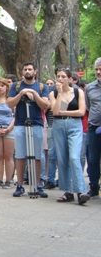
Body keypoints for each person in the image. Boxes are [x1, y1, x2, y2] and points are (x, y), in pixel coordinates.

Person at [6, 62, 49, 198]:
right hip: (20, 123)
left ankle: (38, 185)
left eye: (30, 69)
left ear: (35, 71)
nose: (27, 71)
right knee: (20, 156)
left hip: (36, 123)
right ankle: (19, 185)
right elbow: (10, 103)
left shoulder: (42, 87)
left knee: (37, 155)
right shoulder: (16, 86)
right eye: (25, 69)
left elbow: (45, 105)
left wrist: (34, 93)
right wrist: (22, 93)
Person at [50, 67, 90, 204]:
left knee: (74, 157)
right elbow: (55, 112)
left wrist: (64, 112)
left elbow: (81, 112)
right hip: (59, 126)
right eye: (58, 76)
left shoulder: (78, 92)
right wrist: (60, 94)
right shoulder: (54, 93)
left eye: (63, 76)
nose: (60, 79)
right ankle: (67, 191)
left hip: (74, 126)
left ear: (69, 78)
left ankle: (81, 191)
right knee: (62, 158)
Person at [85, 58, 101, 197]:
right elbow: (88, 107)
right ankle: (94, 187)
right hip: (94, 128)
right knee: (92, 159)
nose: (98, 72)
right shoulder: (90, 87)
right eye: (96, 69)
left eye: (100, 69)